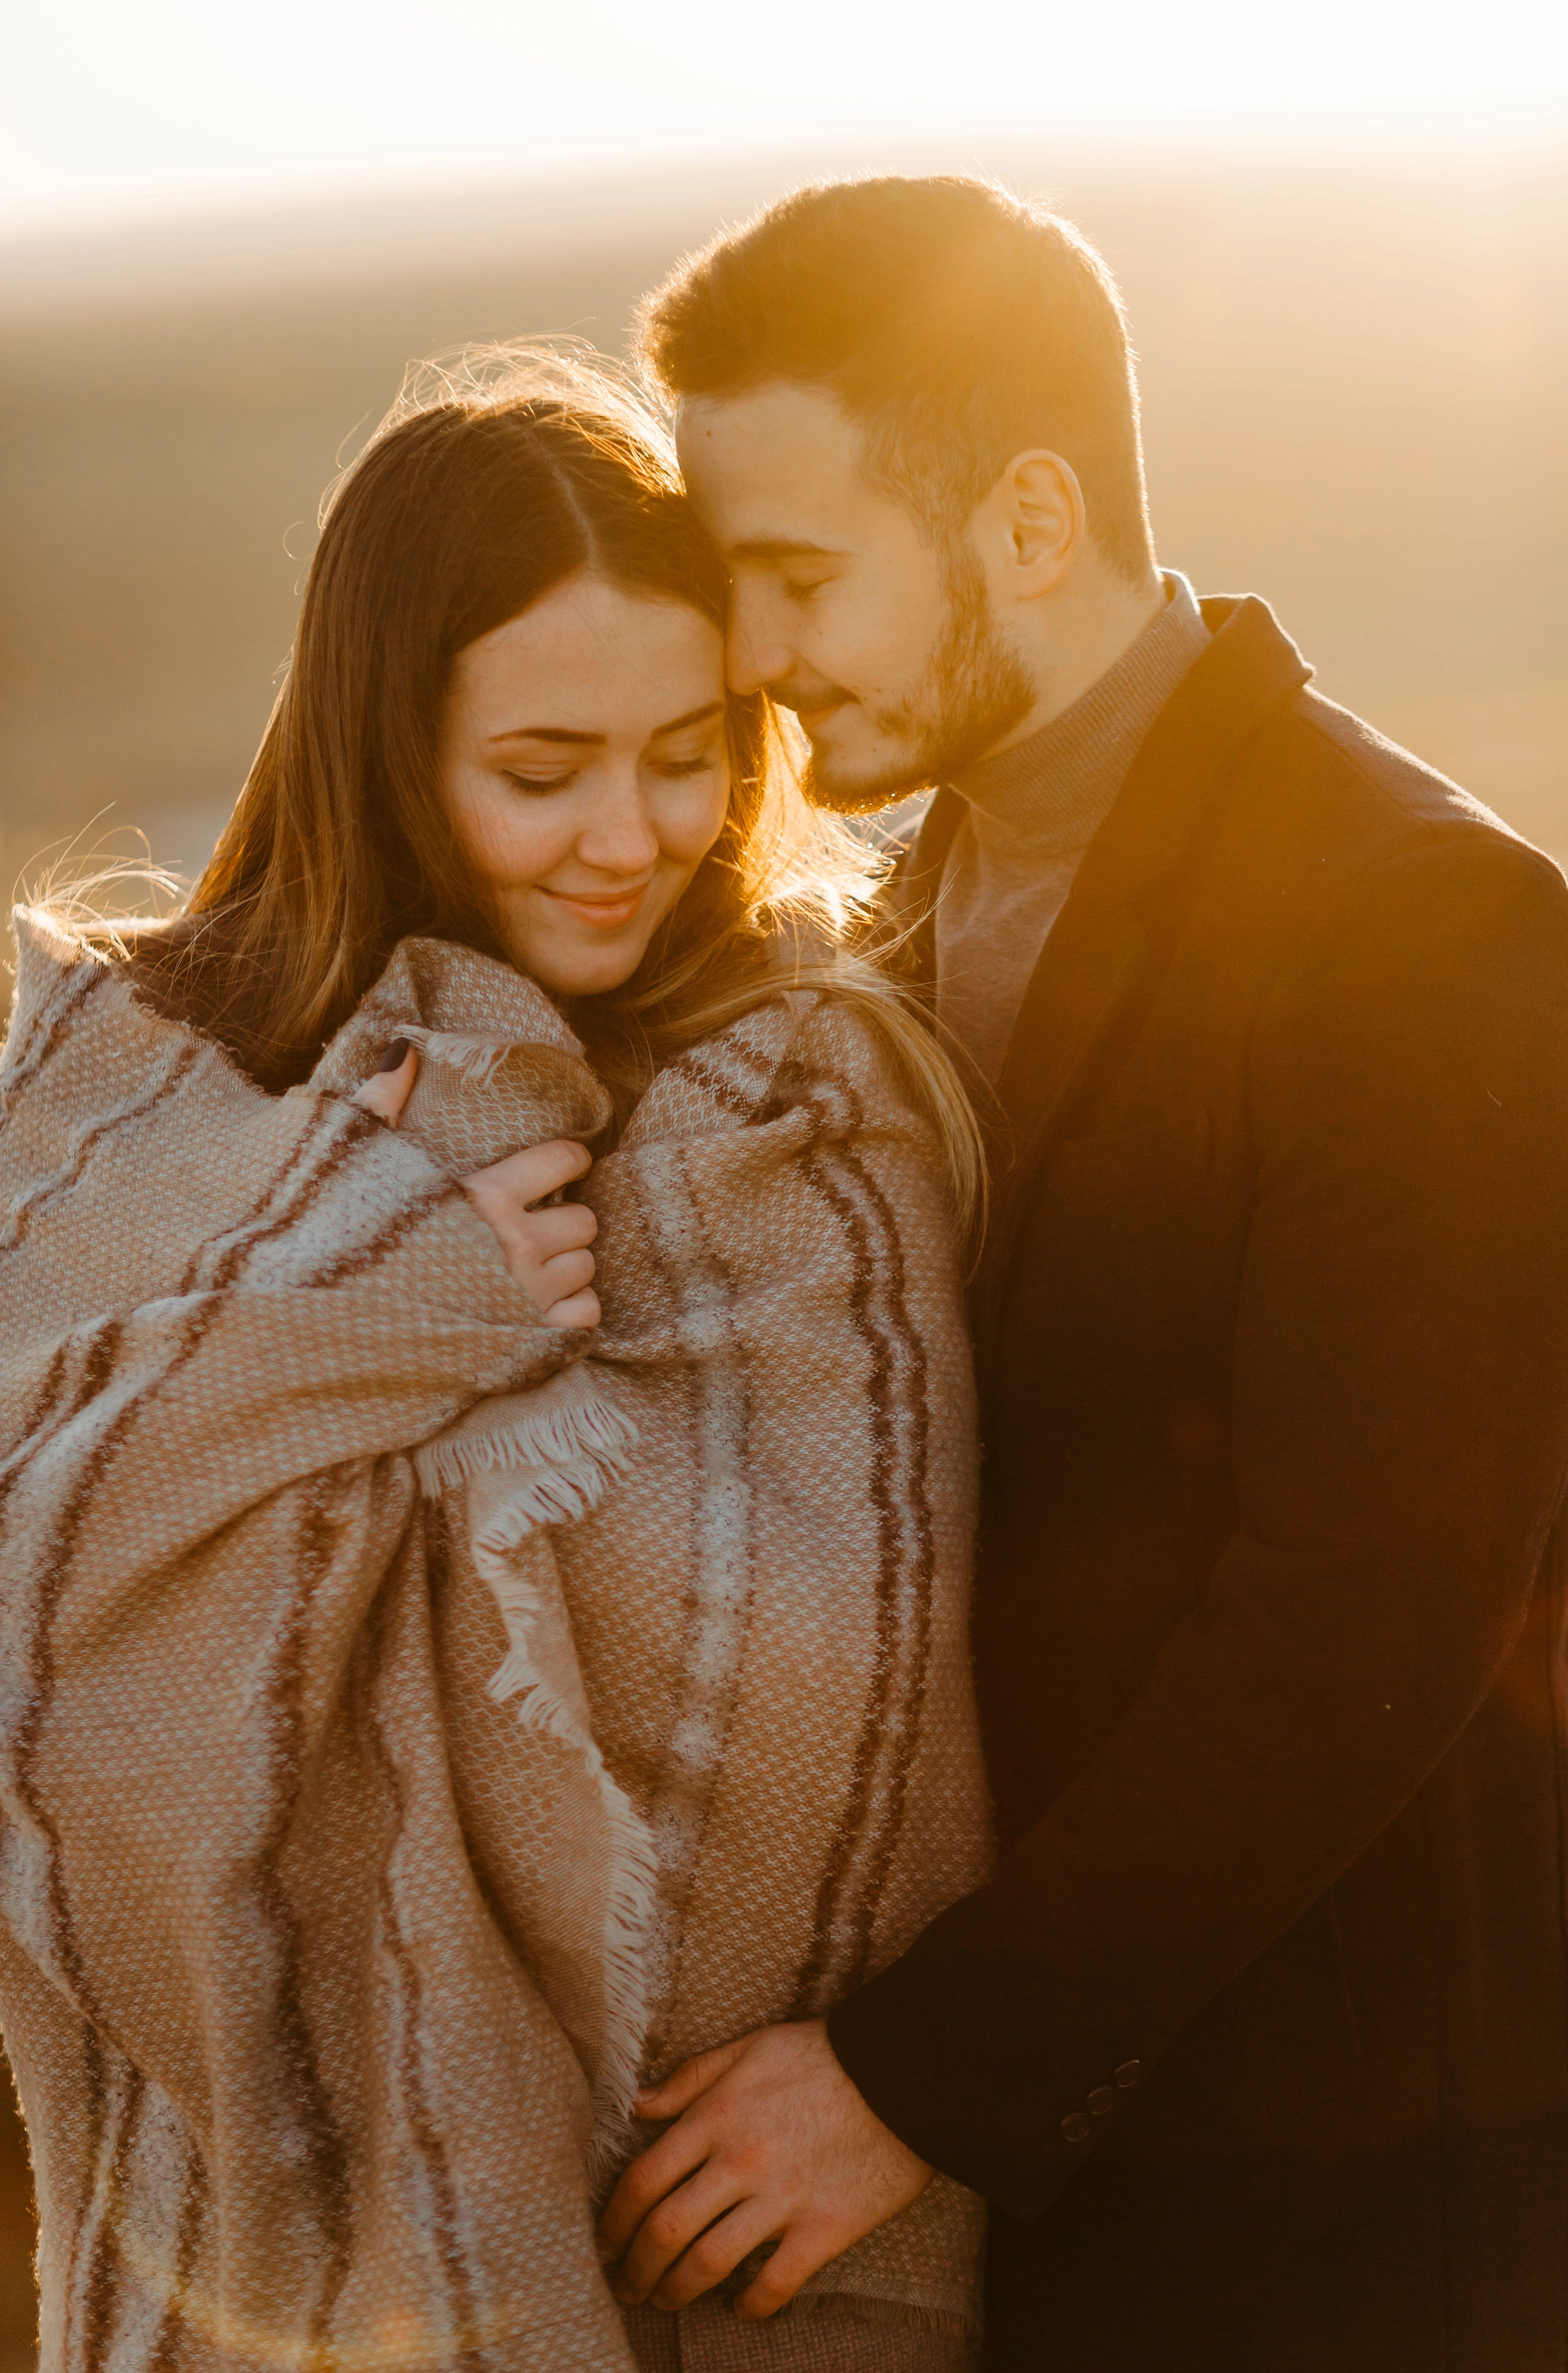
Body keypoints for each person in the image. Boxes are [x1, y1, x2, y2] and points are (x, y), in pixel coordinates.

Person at [593, 174, 1568, 2371]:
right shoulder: (882, 933)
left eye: (797, 576)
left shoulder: (1426, 925)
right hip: (1021, 2228)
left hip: (1349, 2227)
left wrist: (904, 2080)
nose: (751, 658)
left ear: (1030, 522)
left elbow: (1359, 1623)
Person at [0, 350, 995, 2372]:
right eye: (540, 771)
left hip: (747, 2240)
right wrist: (379, 1311)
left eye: (690, 752)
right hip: (254, 2265)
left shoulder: (809, 1103)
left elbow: (833, 1666)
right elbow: (38, 1600)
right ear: (385, 747)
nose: (629, 837)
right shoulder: (113, 1093)